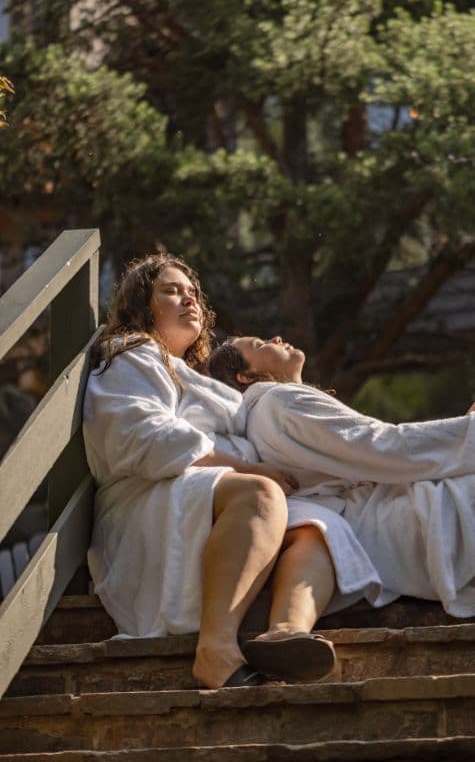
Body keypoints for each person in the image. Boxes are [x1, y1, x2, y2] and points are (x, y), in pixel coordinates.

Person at [84, 254, 382, 690]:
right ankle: (216, 650)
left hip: (210, 496)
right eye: (170, 290)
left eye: (191, 292)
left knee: (319, 526)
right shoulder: (131, 355)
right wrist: (247, 468)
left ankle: (286, 632)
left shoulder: (201, 379)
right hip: (148, 502)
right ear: (140, 306)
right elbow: (142, 438)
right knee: (259, 494)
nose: (187, 298)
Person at [209, 335, 475, 619]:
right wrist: (468, 430)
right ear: (245, 376)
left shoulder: (271, 409)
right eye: (260, 345)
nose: (275, 338)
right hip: (379, 524)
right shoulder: (279, 401)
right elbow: (381, 447)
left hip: (374, 513)